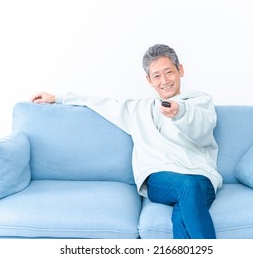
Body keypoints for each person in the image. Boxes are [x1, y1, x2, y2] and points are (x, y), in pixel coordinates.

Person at [31, 44, 223, 239]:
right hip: (160, 179)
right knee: (187, 187)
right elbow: (102, 103)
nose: (164, 81)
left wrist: (180, 113)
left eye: (169, 72)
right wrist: (58, 97)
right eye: (157, 76)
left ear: (180, 70)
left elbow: (202, 130)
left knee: (182, 213)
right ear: (149, 80)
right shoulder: (138, 110)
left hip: (200, 177)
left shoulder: (200, 102)